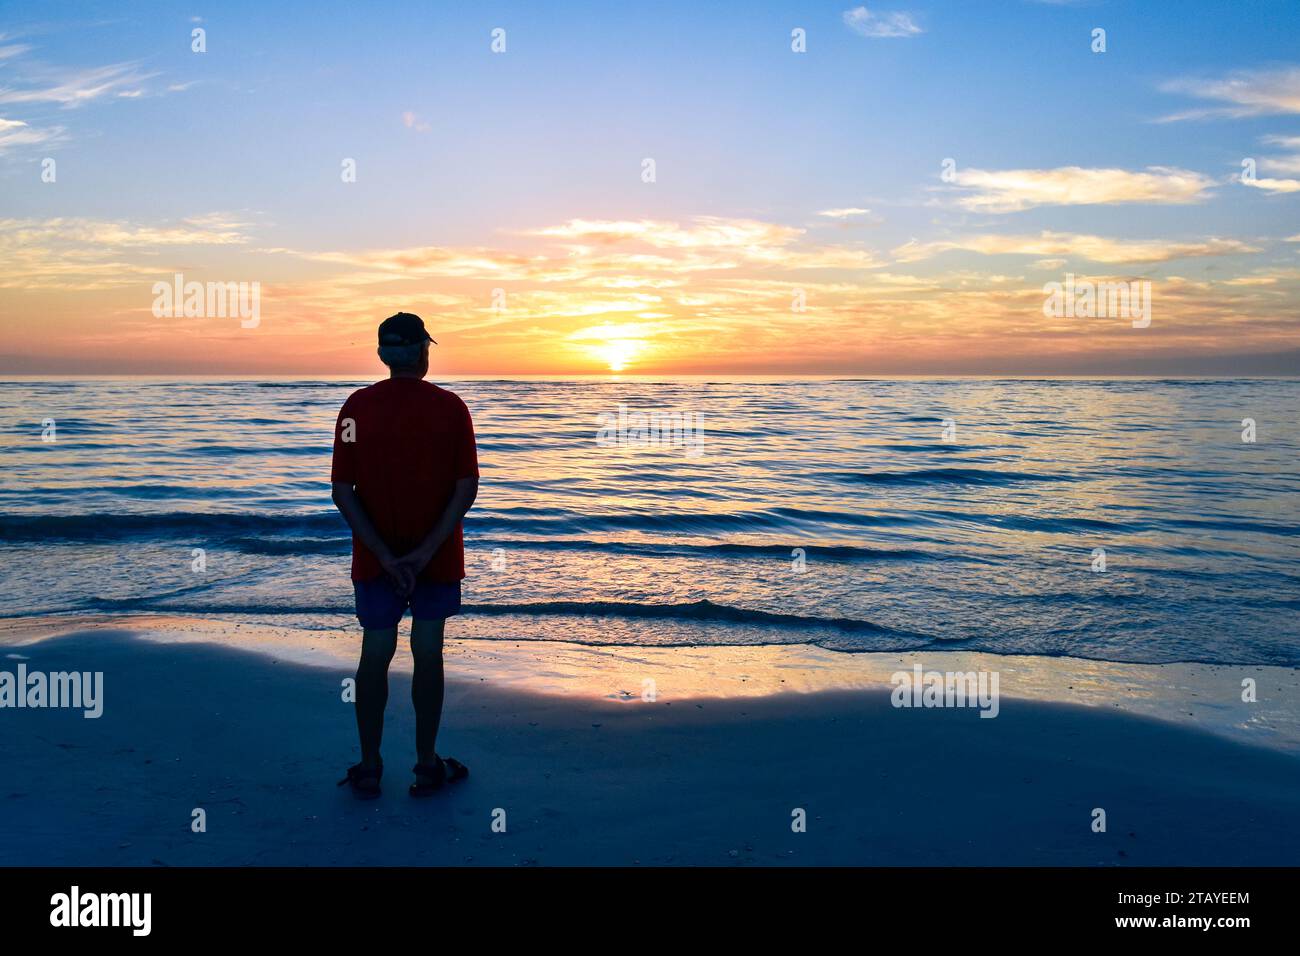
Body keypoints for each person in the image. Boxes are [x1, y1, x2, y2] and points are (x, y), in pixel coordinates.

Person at [330, 312, 479, 798]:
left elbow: (342, 490)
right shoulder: (452, 408)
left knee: (375, 653)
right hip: (433, 558)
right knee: (428, 652)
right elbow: (466, 489)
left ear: (381, 355)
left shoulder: (355, 408)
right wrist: (422, 555)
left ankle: (370, 765)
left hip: (377, 559)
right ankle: (425, 763)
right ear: (423, 352)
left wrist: (388, 557)